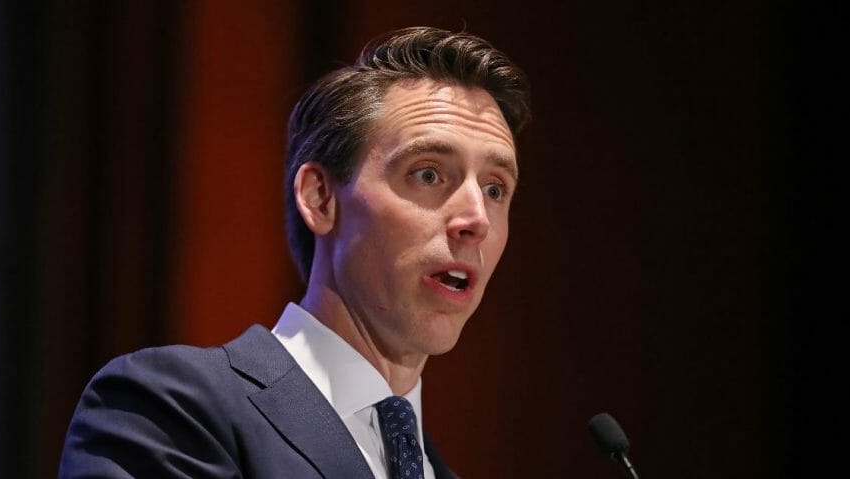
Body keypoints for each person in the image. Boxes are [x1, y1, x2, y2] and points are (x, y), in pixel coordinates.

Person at [59, 26, 531, 478]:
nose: (477, 219)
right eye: (428, 174)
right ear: (320, 198)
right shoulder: (171, 410)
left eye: (495, 188)